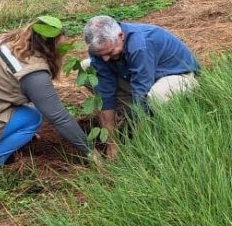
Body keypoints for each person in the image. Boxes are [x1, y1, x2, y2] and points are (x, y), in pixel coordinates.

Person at [0, 16, 92, 175]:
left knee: (30, 103)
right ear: (50, 47)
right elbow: (59, 118)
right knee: (32, 118)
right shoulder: (33, 73)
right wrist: (90, 152)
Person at [83, 15, 199, 158]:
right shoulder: (100, 51)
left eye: (110, 52)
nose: (106, 59)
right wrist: (112, 145)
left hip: (178, 77)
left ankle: (154, 130)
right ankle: (129, 120)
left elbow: (140, 94)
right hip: (139, 78)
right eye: (102, 55)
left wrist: (138, 147)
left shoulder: (140, 45)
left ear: (121, 36)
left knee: (156, 96)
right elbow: (106, 96)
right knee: (86, 68)